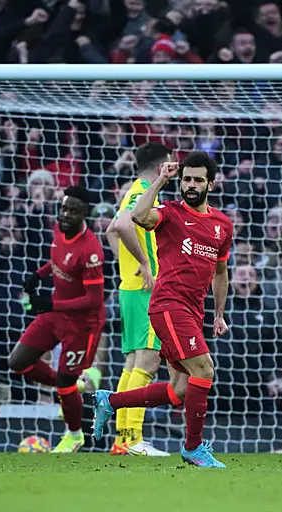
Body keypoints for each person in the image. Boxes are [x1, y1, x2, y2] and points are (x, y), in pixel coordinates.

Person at [93, 153, 233, 468]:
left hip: (194, 312)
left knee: (180, 389)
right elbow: (135, 217)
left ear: (211, 183)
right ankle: (193, 448)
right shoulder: (168, 213)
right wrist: (161, 180)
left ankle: (110, 401)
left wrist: (219, 314)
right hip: (168, 304)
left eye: (198, 179)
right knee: (205, 370)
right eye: (186, 179)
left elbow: (221, 272)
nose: (191, 185)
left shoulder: (222, 225)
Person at [8, 186, 105, 454]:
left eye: (73, 211)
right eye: (64, 208)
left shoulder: (91, 250)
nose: (66, 215)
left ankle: (74, 436)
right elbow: (58, 260)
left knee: (64, 382)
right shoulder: (58, 229)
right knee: (17, 362)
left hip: (81, 324)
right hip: (56, 314)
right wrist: (38, 275)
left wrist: (49, 303)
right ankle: (73, 385)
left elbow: (94, 301)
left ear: (85, 214)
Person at [104, 142, 172, 457]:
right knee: (147, 362)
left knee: (133, 363)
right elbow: (120, 226)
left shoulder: (135, 189)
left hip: (130, 288)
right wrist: (144, 264)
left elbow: (110, 231)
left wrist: (127, 265)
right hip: (146, 291)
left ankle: (123, 439)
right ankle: (133, 441)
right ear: (162, 167)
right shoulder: (145, 192)